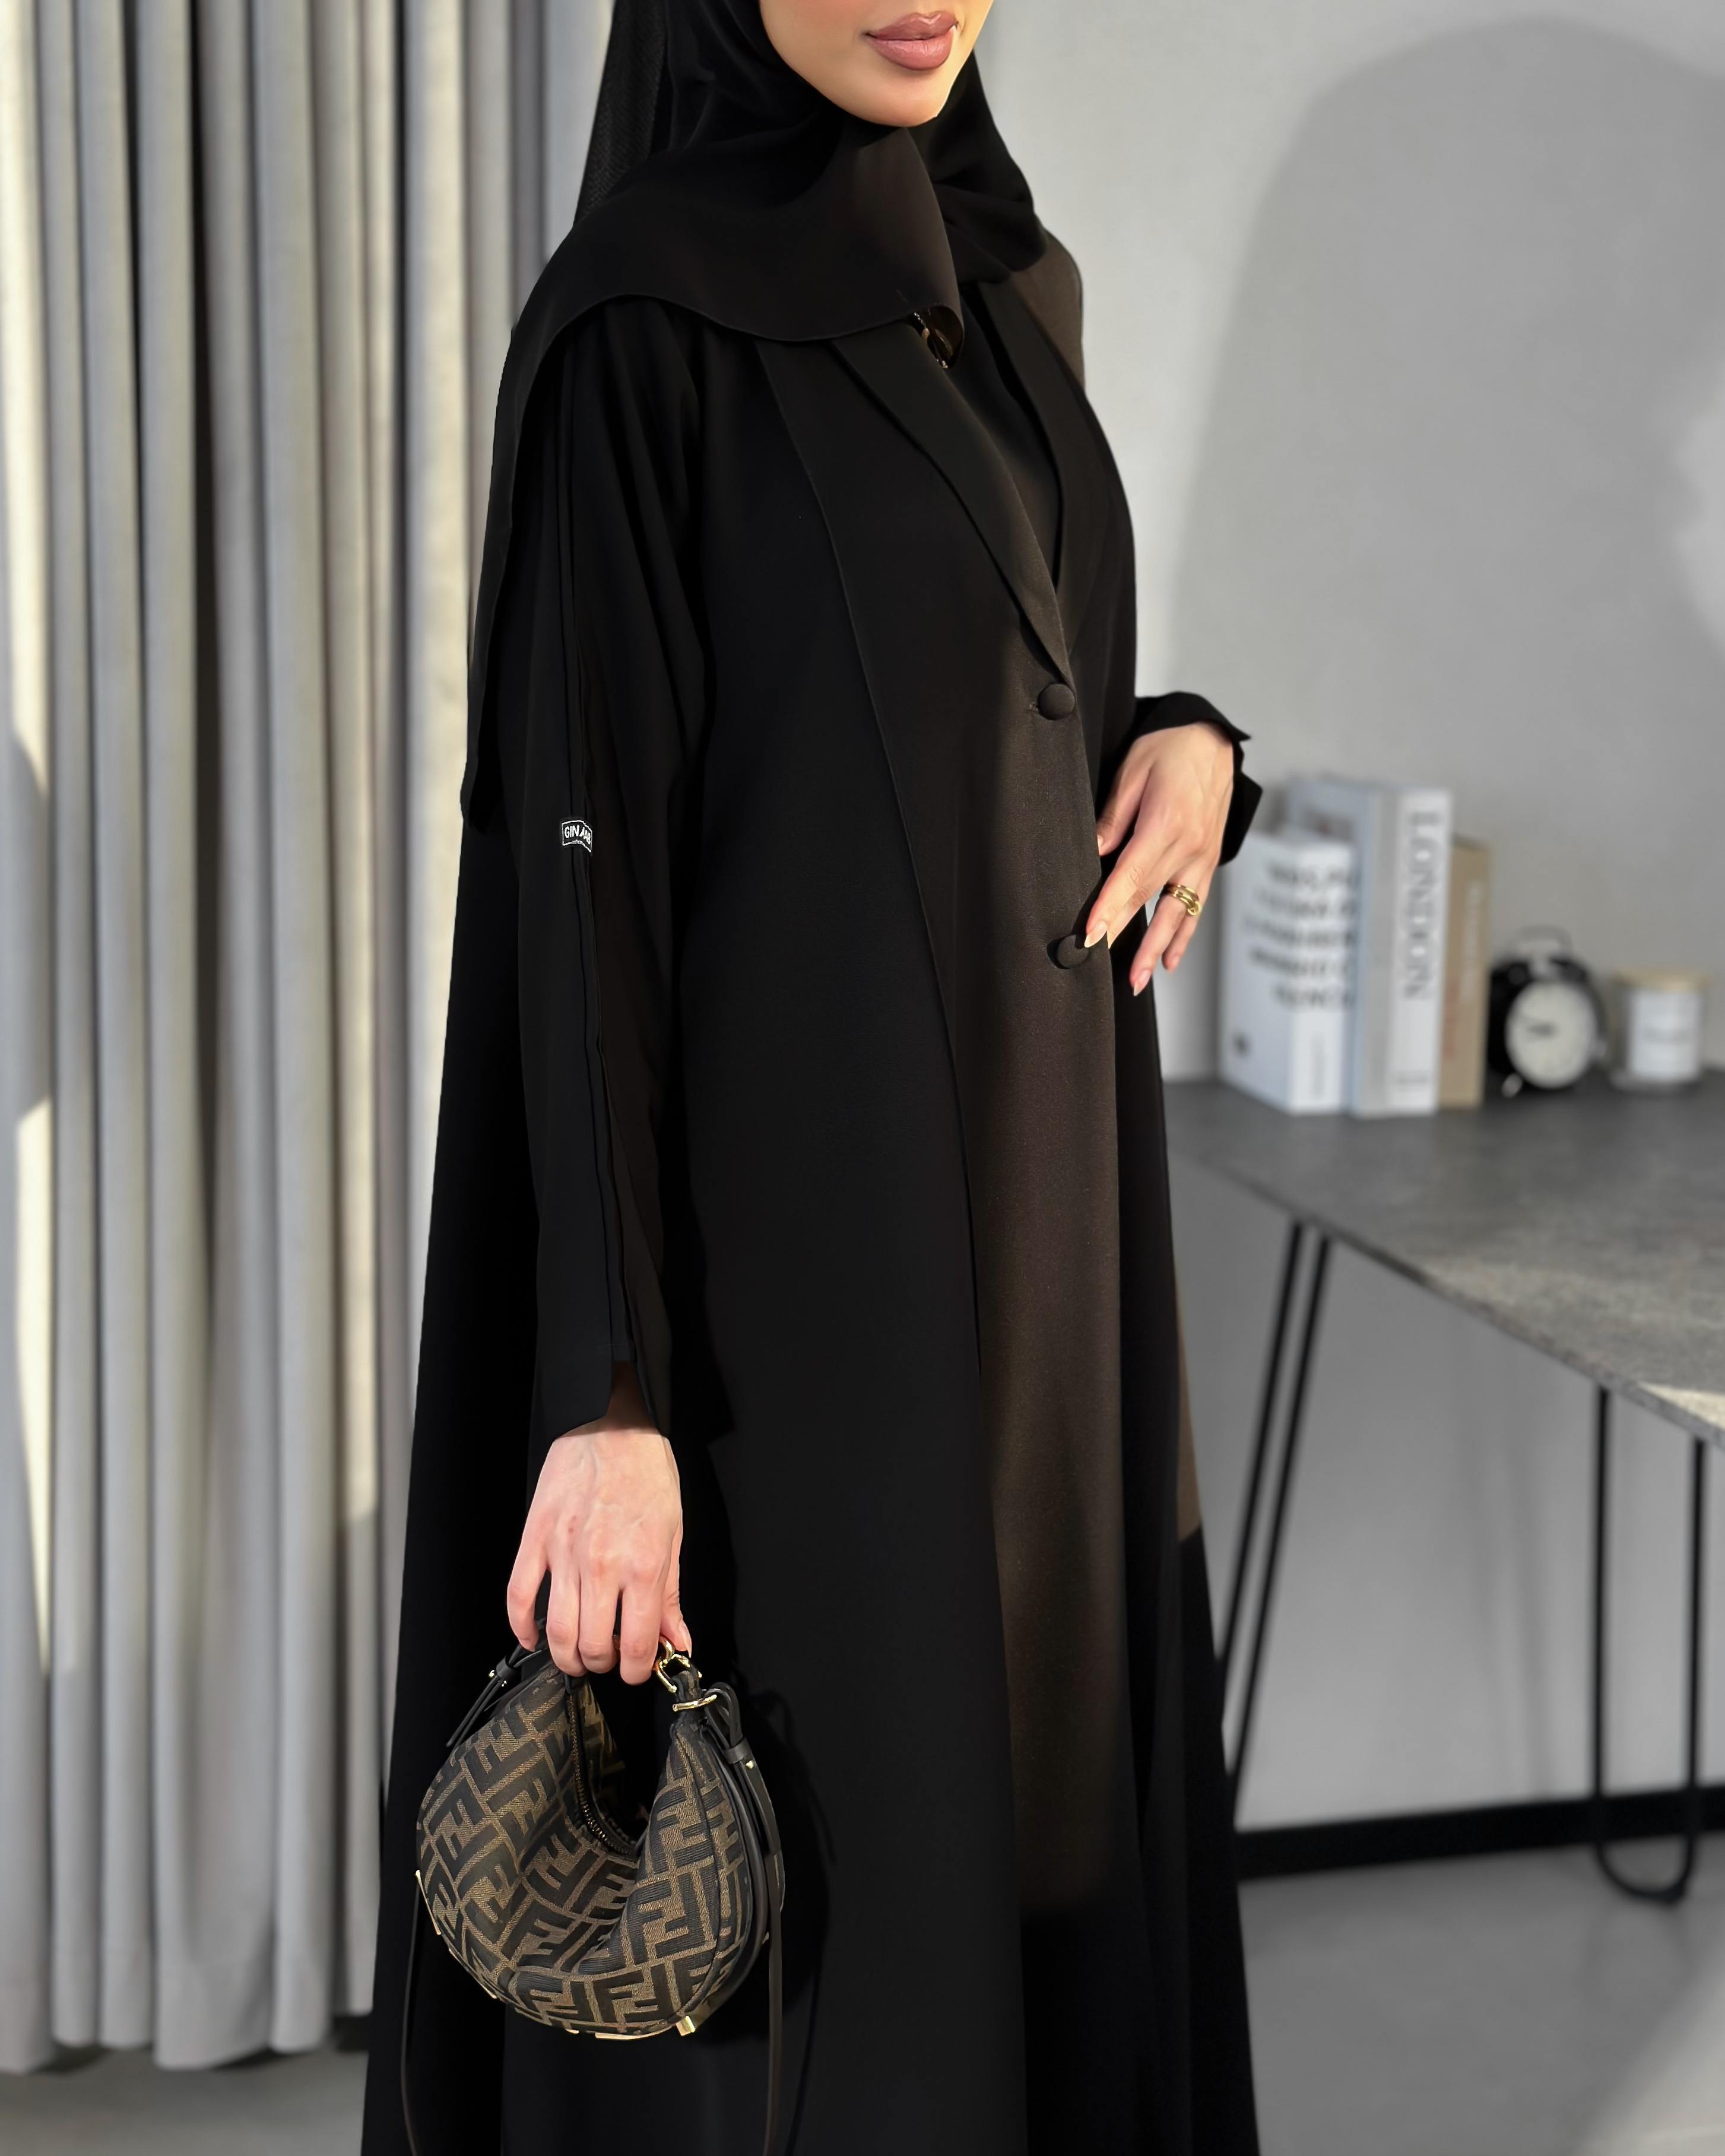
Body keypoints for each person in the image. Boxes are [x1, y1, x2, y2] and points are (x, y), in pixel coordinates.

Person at [362, 3, 1263, 2151]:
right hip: (796, 1315)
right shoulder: (640, 326)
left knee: (1042, 1869)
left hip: (1042, 1278)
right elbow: (580, 882)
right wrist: (608, 1394)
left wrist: (1192, 743)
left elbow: (1006, 682)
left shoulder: (1008, 285)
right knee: (825, 1962)